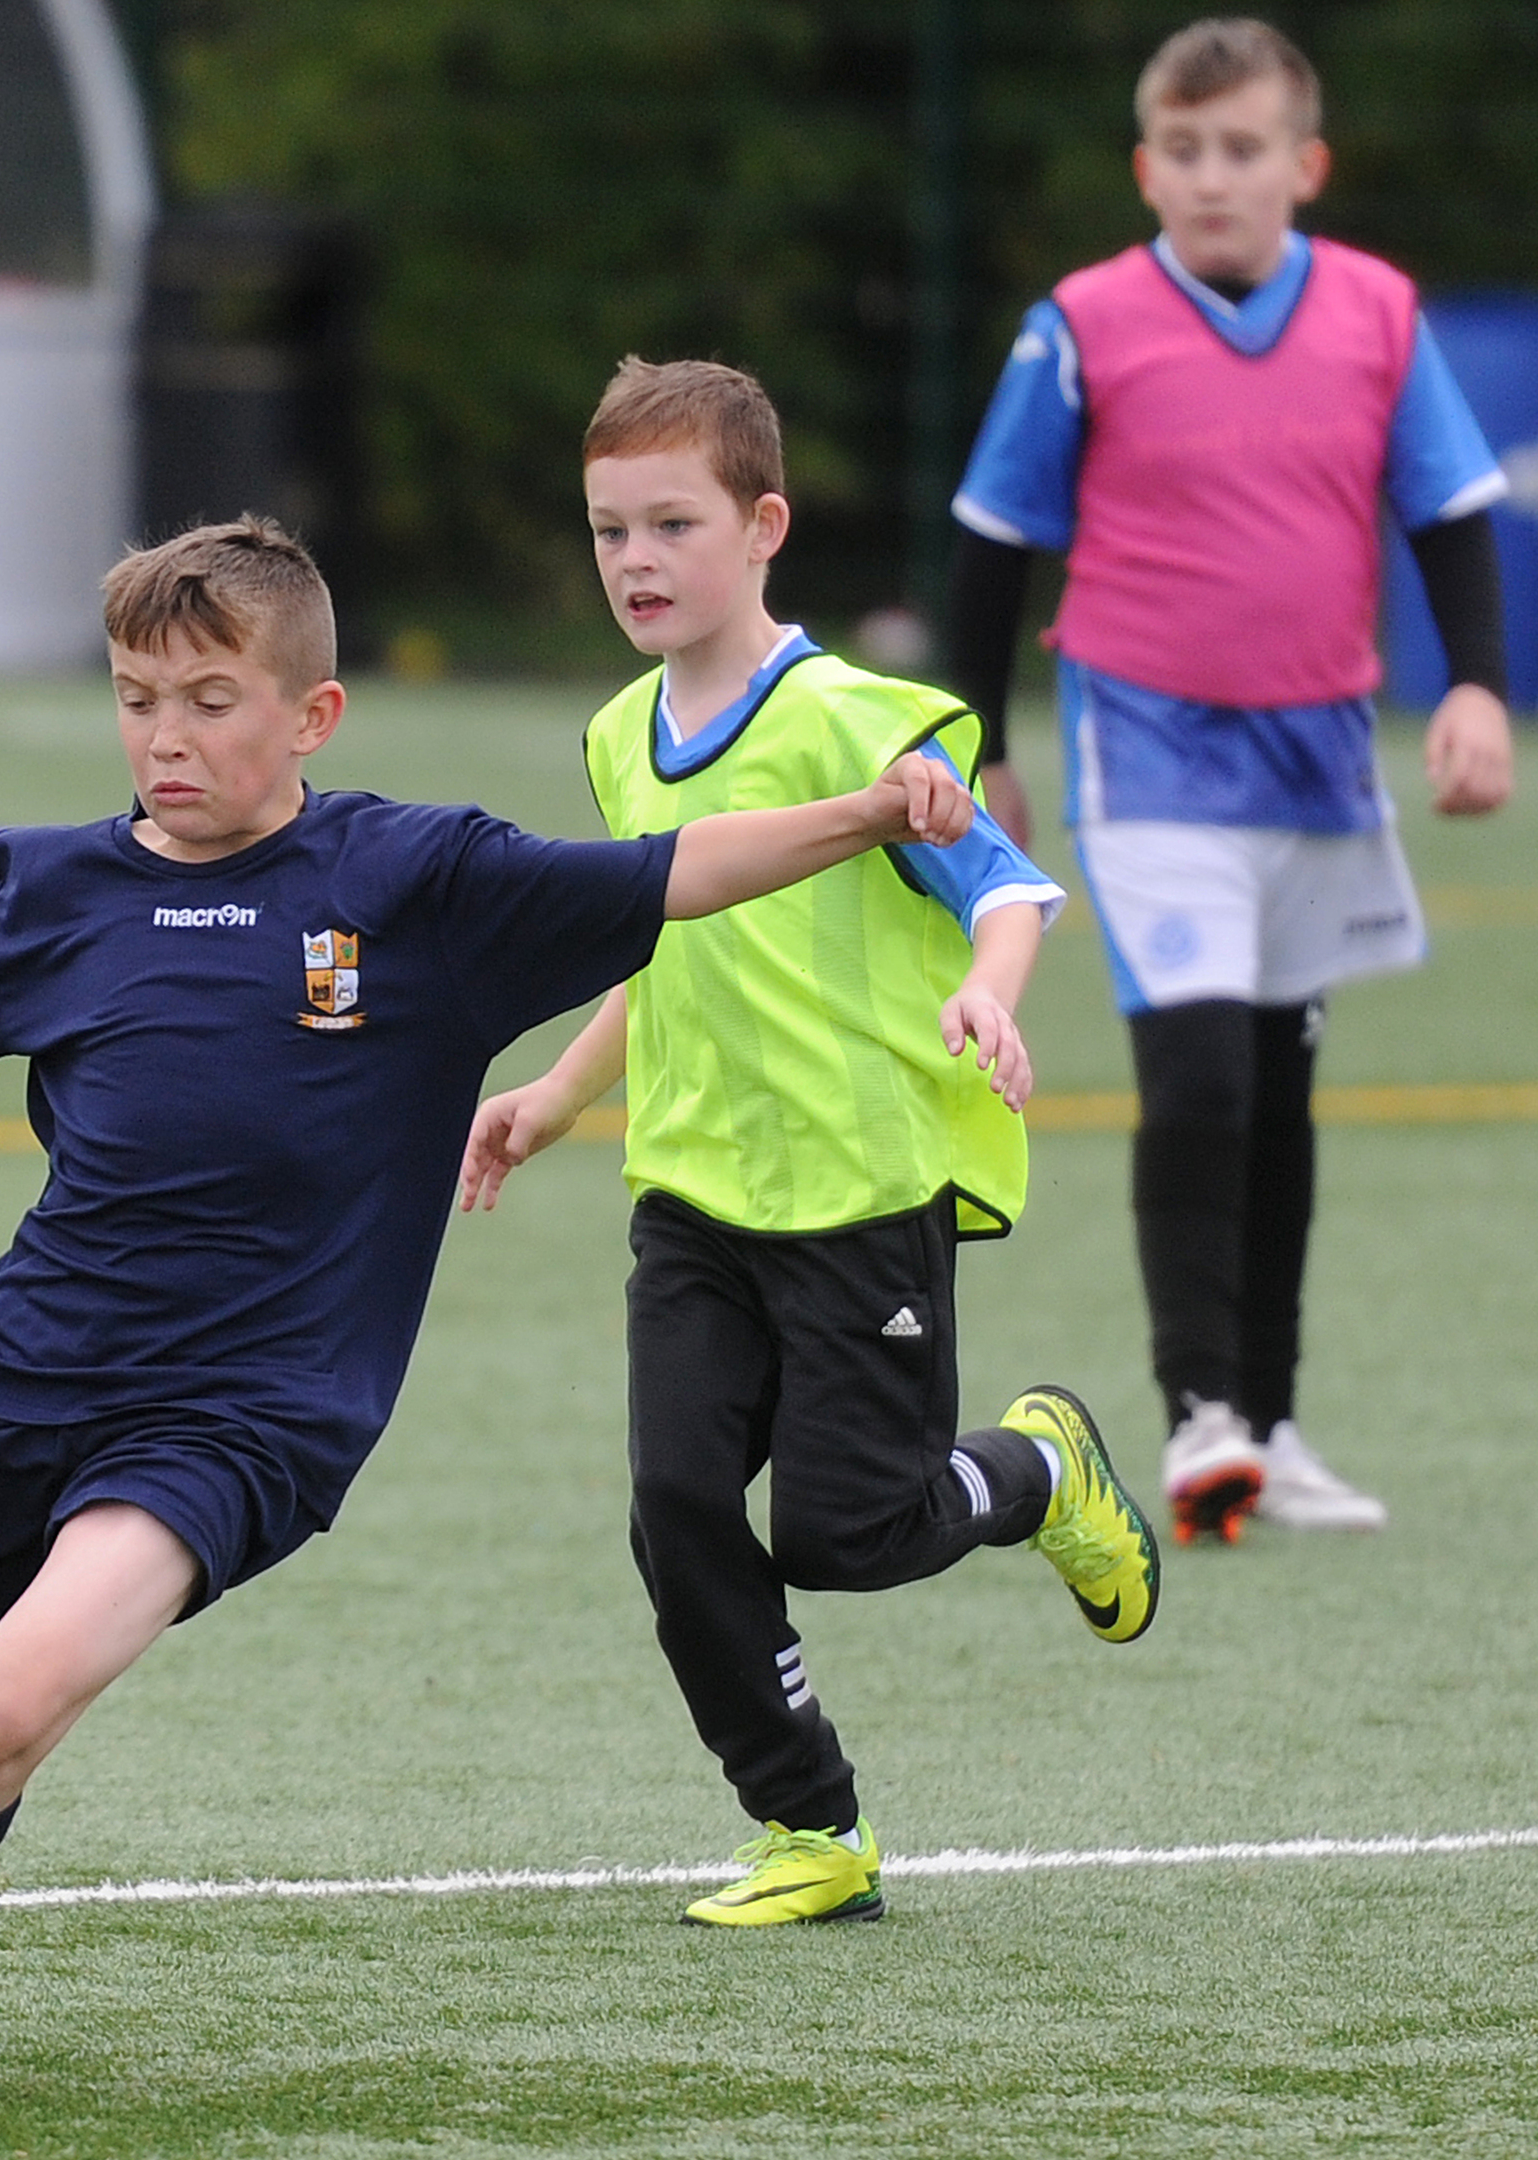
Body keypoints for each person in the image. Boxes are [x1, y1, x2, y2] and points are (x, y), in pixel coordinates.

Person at [0, 516, 983, 2096]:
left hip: (242, 1422)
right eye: (136, 699)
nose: (164, 738)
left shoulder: (416, 883)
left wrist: (873, 810)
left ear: (309, 715)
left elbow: (672, 873)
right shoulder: (53, 886)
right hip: (19, 1367)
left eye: (207, 700)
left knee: (2, 1709)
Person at [459, 357, 1159, 1930]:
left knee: (850, 1534)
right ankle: (807, 1825)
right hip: (692, 1195)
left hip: (856, 1195)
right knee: (677, 1508)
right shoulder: (615, 736)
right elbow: (672, 949)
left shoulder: (861, 721)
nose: (635, 561)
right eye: (606, 532)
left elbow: (1007, 884)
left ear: (762, 525)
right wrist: (560, 1094)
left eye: (671, 524)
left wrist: (986, 992)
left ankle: (1039, 1470)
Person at [943, 17, 1517, 1542]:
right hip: (1147, 754)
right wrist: (978, 741)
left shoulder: (1379, 316)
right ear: (1145, 169)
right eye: (1182, 152)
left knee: (1279, 1095)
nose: (1212, 178)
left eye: (1242, 148)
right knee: (1195, 1075)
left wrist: (1473, 684)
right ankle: (1201, 1412)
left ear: (1302, 167)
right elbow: (991, 543)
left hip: (1318, 764)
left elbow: (1450, 512)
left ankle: (1267, 1418)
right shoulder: (1081, 324)